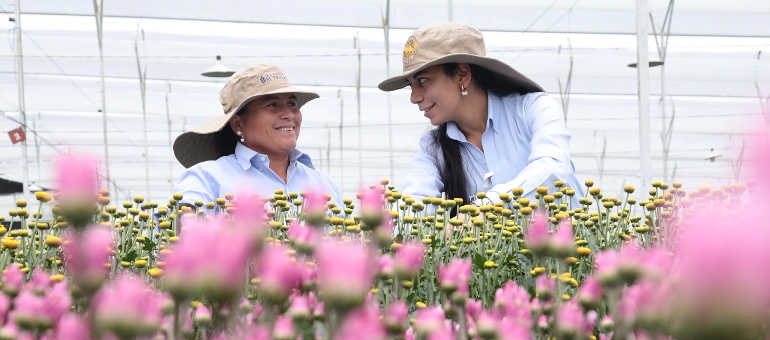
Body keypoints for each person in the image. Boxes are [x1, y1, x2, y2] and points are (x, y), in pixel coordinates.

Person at [378, 22, 584, 207]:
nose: (414, 97)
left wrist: (484, 208)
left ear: (462, 75)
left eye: (422, 81)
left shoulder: (533, 109)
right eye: (410, 86)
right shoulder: (434, 148)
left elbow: (553, 170)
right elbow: (415, 201)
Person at [173, 63, 342, 209]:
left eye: (292, 103)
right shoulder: (206, 179)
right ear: (237, 124)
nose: (289, 114)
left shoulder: (324, 184)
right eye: (272, 105)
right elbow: (180, 235)